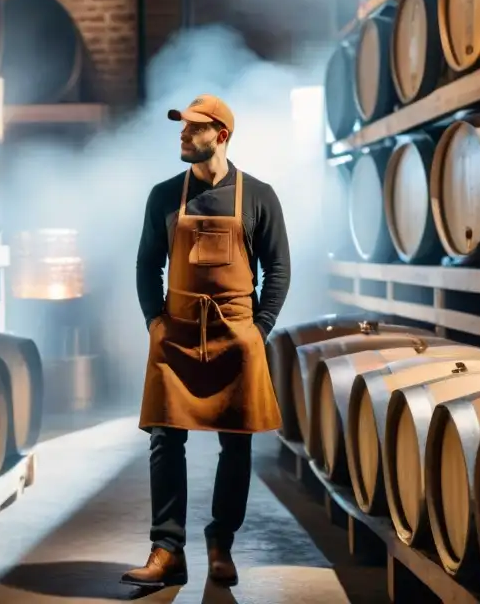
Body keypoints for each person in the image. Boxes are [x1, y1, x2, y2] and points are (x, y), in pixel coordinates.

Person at [122, 93, 291, 589]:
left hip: (236, 334)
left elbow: (278, 269)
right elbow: (145, 265)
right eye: (181, 127)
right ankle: (166, 550)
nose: (181, 134)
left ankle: (221, 545)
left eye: (193, 128)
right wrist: (155, 321)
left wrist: (258, 331)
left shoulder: (258, 196)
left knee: (235, 444)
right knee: (163, 440)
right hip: (175, 335)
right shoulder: (163, 196)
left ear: (220, 136)